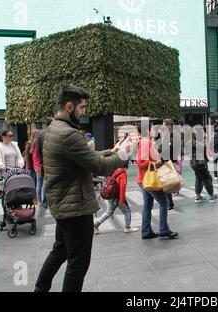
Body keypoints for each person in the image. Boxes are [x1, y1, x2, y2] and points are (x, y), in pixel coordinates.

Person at [34, 85, 127, 292]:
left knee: (60, 251)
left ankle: (40, 288)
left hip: (63, 204)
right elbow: (98, 166)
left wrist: (112, 150)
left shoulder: (54, 129)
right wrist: (123, 157)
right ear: (69, 106)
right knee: (78, 264)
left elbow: (85, 157)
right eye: (82, 107)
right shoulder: (68, 134)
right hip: (75, 207)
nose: (84, 112)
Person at [137, 124, 178, 240]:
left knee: (147, 205)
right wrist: (156, 163)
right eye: (151, 128)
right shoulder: (146, 142)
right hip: (149, 179)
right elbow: (141, 163)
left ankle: (146, 231)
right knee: (164, 202)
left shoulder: (145, 142)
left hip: (143, 179)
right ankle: (164, 229)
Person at [0, 130, 25, 225]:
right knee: (5, 196)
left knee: (16, 194)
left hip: (15, 173)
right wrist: (1, 166)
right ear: (3, 136)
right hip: (3, 174)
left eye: (12, 135)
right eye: (10, 135)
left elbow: (19, 157)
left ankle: (18, 213)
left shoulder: (14, 145)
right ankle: (7, 215)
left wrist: (21, 163)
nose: (12, 137)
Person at [94, 163, 138, 234]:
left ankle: (96, 225)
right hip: (117, 197)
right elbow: (122, 188)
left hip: (111, 195)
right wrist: (122, 200)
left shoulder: (115, 171)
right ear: (126, 167)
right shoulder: (123, 174)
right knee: (127, 211)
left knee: (108, 212)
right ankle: (127, 227)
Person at [190, 130, 218, 204]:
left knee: (199, 179)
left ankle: (198, 196)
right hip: (200, 164)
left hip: (194, 164)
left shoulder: (191, 142)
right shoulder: (197, 143)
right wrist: (205, 138)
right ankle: (212, 196)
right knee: (207, 179)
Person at [37, 117, 54, 209]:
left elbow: (38, 149)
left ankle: (45, 202)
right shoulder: (56, 132)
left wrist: (42, 160)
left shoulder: (41, 133)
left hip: (45, 161)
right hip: (55, 161)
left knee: (46, 182)